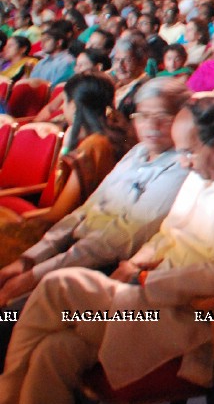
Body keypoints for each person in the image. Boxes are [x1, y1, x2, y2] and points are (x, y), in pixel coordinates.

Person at [0, 99, 214, 404]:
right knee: (53, 352)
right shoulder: (204, 173)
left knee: (59, 285)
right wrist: (135, 263)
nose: (184, 163)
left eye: (189, 152)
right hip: (146, 304)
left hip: (187, 319)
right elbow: (167, 233)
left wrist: (146, 283)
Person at [0, 78, 190, 307]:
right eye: (143, 116)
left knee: (11, 313)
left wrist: (35, 274)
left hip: (105, 267)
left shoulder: (183, 167)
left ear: (182, 119)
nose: (152, 125)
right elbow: (87, 209)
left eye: (163, 116)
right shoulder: (138, 152)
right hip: (73, 250)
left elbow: (118, 240)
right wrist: (29, 260)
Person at [0, 73, 130, 267]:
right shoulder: (114, 138)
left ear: (74, 106)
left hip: (66, 234)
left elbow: (60, 214)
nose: (61, 108)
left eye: (65, 102)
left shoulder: (93, 146)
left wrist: (17, 224)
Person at [28, 20, 75, 86]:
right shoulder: (42, 62)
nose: (42, 45)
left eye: (46, 40)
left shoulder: (67, 62)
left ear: (59, 42)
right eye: (41, 41)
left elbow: (55, 87)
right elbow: (31, 83)